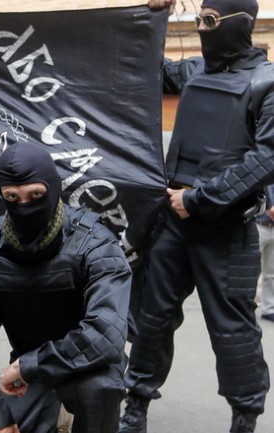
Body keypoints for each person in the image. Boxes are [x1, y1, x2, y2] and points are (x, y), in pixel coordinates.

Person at [119, 1, 273, 432]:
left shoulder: (267, 82)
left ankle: (244, 419)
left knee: (233, 330)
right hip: (173, 223)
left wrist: (202, 198)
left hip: (227, 228)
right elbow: (141, 64)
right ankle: (135, 409)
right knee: (152, 320)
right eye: (198, 19)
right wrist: (152, 14)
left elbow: (267, 158)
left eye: (210, 20)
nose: (202, 28)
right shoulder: (193, 71)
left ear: (241, 24)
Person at [0, 142, 132, 433]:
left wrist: (31, 365)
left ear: (53, 188)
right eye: (12, 197)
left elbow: (106, 335)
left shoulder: (96, 244)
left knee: (99, 390)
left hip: (88, 366)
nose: (24, 206)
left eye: (35, 195)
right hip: (28, 369)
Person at [256, 184, 274, 322]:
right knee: (250, 271)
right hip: (260, 226)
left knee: (271, 273)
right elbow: (270, 208)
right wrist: (270, 207)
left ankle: (269, 309)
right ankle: (244, 307)